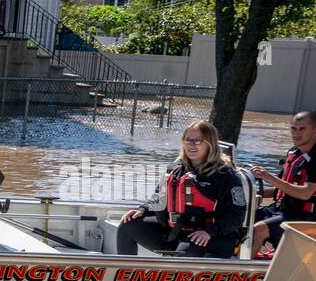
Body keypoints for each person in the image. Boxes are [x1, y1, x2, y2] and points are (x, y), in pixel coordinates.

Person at [117, 119, 245, 259]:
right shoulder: (175, 169)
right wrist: (142, 210)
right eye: (188, 140)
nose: (191, 144)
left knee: (185, 250)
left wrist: (209, 232)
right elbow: (158, 199)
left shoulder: (226, 176)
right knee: (128, 225)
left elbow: (236, 217)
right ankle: (126, 277)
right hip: (175, 233)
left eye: (198, 141)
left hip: (212, 236)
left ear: (210, 144)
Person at [249, 110, 315, 256]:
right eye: (293, 128)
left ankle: (242, 271)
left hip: (306, 218)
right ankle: (228, 256)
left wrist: (268, 176)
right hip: (283, 210)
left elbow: (306, 193)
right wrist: (248, 191)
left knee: (259, 228)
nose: (296, 133)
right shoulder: (294, 154)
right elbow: (280, 188)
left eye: (302, 129)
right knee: (243, 216)